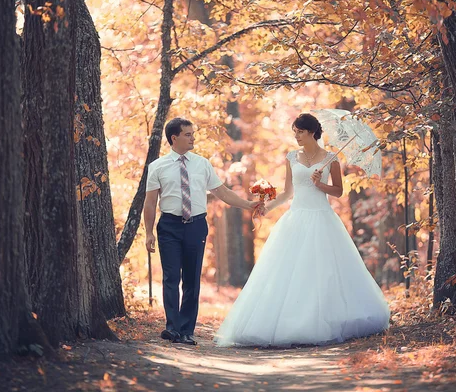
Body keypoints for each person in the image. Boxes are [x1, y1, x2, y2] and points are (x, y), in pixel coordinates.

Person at [214, 113, 390, 347]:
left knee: (323, 271)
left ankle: (322, 320)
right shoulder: (292, 157)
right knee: (287, 271)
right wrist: (266, 208)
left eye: (299, 131)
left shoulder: (331, 159)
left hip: (322, 219)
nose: (295, 135)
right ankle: (287, 321)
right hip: (295, 218)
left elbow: (338, 191)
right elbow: (287, 193)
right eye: (294, 131)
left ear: (311, 133)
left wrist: (320, 184)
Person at [144, 118, 262, 346]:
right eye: (188, 134)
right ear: (174, 138)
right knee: (171, 278)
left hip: (196, 225)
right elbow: (150, 203)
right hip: (169, 226)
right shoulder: (157, 167)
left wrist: (248, 205)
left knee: (192, 280)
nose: (193, 137)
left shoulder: (202, 164)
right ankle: (172, 328)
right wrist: (149, 233)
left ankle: (187, 331)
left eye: (193, 133)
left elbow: (223, 192)